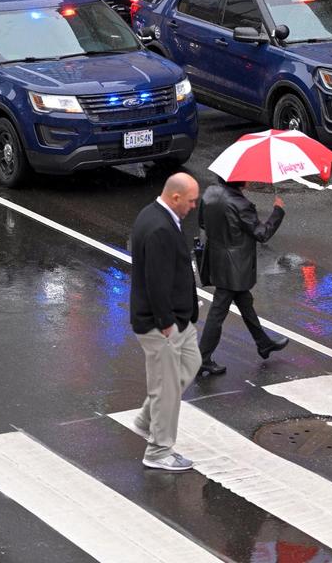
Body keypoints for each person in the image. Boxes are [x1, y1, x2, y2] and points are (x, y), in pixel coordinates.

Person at [129, 173, 203, 472]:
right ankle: (158, 451)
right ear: (175, 197)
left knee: (191, 362)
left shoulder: (156, 214)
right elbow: (156, 282)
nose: (194, 206)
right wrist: (166, 323)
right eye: (191, 200)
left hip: (177, 319)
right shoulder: (159, 228)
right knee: (166, 388)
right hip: (161, 324)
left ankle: (147, 419)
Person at [196, 178, 290, 376]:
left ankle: (263, 343)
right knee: (218, 311)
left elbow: (202, 222)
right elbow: (262, 233)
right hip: (235, 266)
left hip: (217, 258)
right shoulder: (242, 205)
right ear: (242, 182)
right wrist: (278, 212)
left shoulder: (210, 193)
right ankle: (202, 359)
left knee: (244, 301)